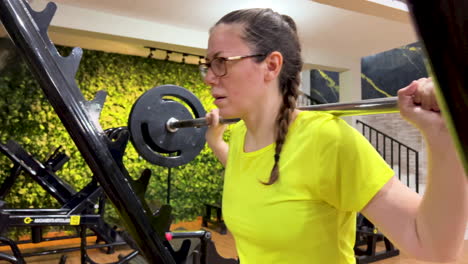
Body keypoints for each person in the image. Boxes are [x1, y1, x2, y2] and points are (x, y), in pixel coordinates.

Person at [200, 8, 467, 264]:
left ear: (271, 65)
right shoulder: (240, 135)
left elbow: (433, 245)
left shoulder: (326, 140)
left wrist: (443, 135)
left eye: (221, 62)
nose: (209, 78)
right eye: (208, 64)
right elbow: (253, 177)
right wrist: (216, 142)